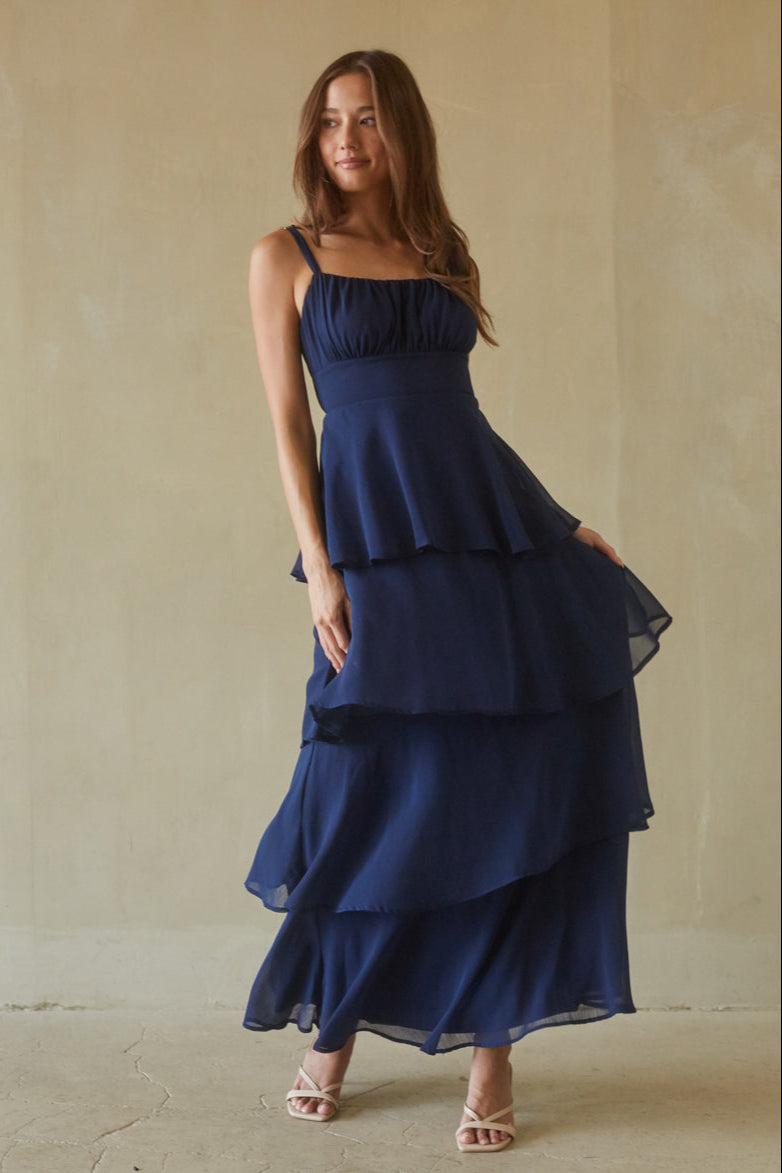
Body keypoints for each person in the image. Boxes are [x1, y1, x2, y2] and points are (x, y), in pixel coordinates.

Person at [243, 49, 671, 1154]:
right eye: (330, 120)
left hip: (482, 549)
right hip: (372, 559)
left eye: (368, 119)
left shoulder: (443, 256)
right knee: (360, 798)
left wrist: (554, 520)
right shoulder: (282, 258)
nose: (345, 139)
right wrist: (320, 568)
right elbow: (291, 428)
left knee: (503, 790)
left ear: (402, 134)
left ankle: (492, 1050)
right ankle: (330, 1031)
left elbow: (461, 423)